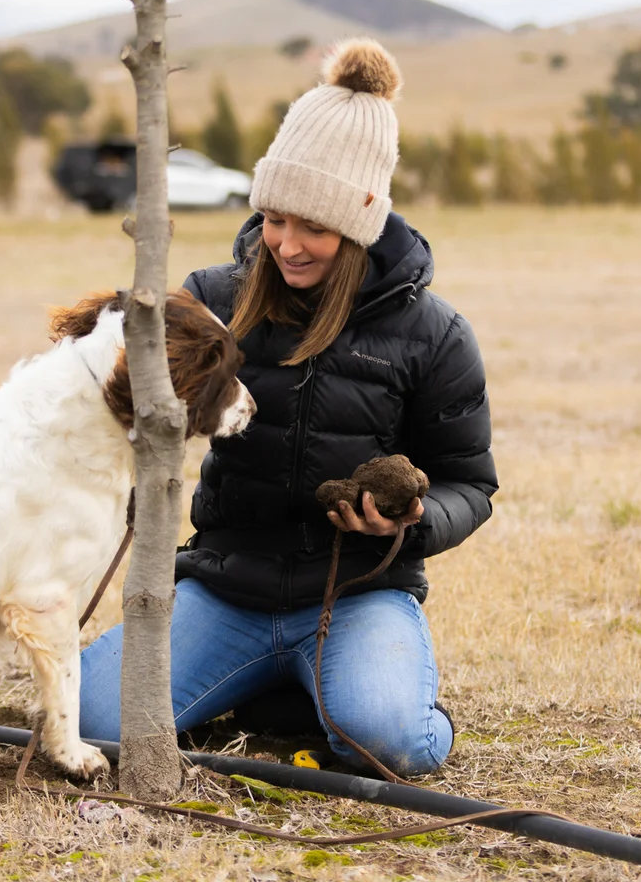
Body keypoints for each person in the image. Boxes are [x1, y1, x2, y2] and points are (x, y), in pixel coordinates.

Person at [78, 38, 496, 776]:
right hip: (223, 587)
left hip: (359, 593)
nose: (287, 245)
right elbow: (122, 405)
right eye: (274, 218)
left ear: (362, 219)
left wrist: (412, 520)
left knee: (390, 745)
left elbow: (472, 484)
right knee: (91, 721)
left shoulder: (435, 335)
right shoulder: (211, 301)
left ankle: (355, 692)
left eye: (314, 227)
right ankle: (272, 685)